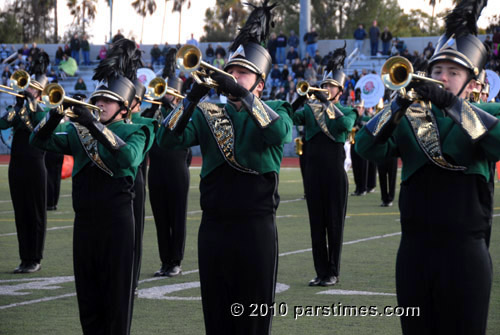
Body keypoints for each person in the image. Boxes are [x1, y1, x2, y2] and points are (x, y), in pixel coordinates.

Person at [355, 1, 500, 333]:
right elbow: (366, 147)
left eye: (453, 73)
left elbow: (496, 144)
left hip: (465, 254)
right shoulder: (409, 115)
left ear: (473, 82)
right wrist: (397, 104)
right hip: (414, 252)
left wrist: (451, 104)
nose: (443, 78)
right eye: (437, 71)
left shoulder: (490, 111)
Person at [157, 2, 292, 333]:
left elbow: (278, 133)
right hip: (214, 229)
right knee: (216, 318)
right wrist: (192, 97)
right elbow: (167, 140)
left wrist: (244, 96)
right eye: (231, 71)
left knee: (253, 320)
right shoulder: (207, 113)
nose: (234, 77)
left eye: (243, 73)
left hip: (255, 229)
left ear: (260, 82)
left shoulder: (276, 107)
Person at [30, 39, 153, 335]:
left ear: (124, 108)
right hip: (84, 226)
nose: (99, 104)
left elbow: (127, 157)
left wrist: (95, 127)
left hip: (117, 227)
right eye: (97, 99)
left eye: (107, 101)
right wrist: (55, 116)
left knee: (116, 301)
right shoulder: (78, 131)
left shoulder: (139, 129)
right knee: (88, 300)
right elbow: (39, 141)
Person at [291, 43, 357, 287]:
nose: (326, 88)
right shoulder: (310, 110)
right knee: (316, 224)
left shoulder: (347, 110)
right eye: (325, 85)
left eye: (331, 86)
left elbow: (345, 126)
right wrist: (301, 97)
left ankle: (333, 271)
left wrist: (327, 104)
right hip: (312, 173)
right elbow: (290, 115)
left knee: (334, 224)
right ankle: (320, 271)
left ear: (340, 90)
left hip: (334, 174)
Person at [142, 50, 191, 278]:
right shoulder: (153, 112)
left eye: (170, 93)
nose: (166, 96)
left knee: (176, 217)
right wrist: (155, 104)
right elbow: (143, 123)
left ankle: (176, 261)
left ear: (178, 96)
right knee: (161, 218)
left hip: (177, 170)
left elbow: (181, 129)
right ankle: (165, 261)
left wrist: (169, 104)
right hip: (157, 171)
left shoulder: (182, 112)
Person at [0, 51, 50, 274]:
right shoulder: (17, 109)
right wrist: (17, 106)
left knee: (36, 213)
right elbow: (2, 124)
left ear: (39, 92)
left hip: (35, 166)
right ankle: (24, 258)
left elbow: (37, 129)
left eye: (31, 88)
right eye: (26, 87)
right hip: (17, 167)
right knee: (21, 213)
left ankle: (35, 257)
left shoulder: (43, 110)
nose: (27, 90)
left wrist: (29, 106)